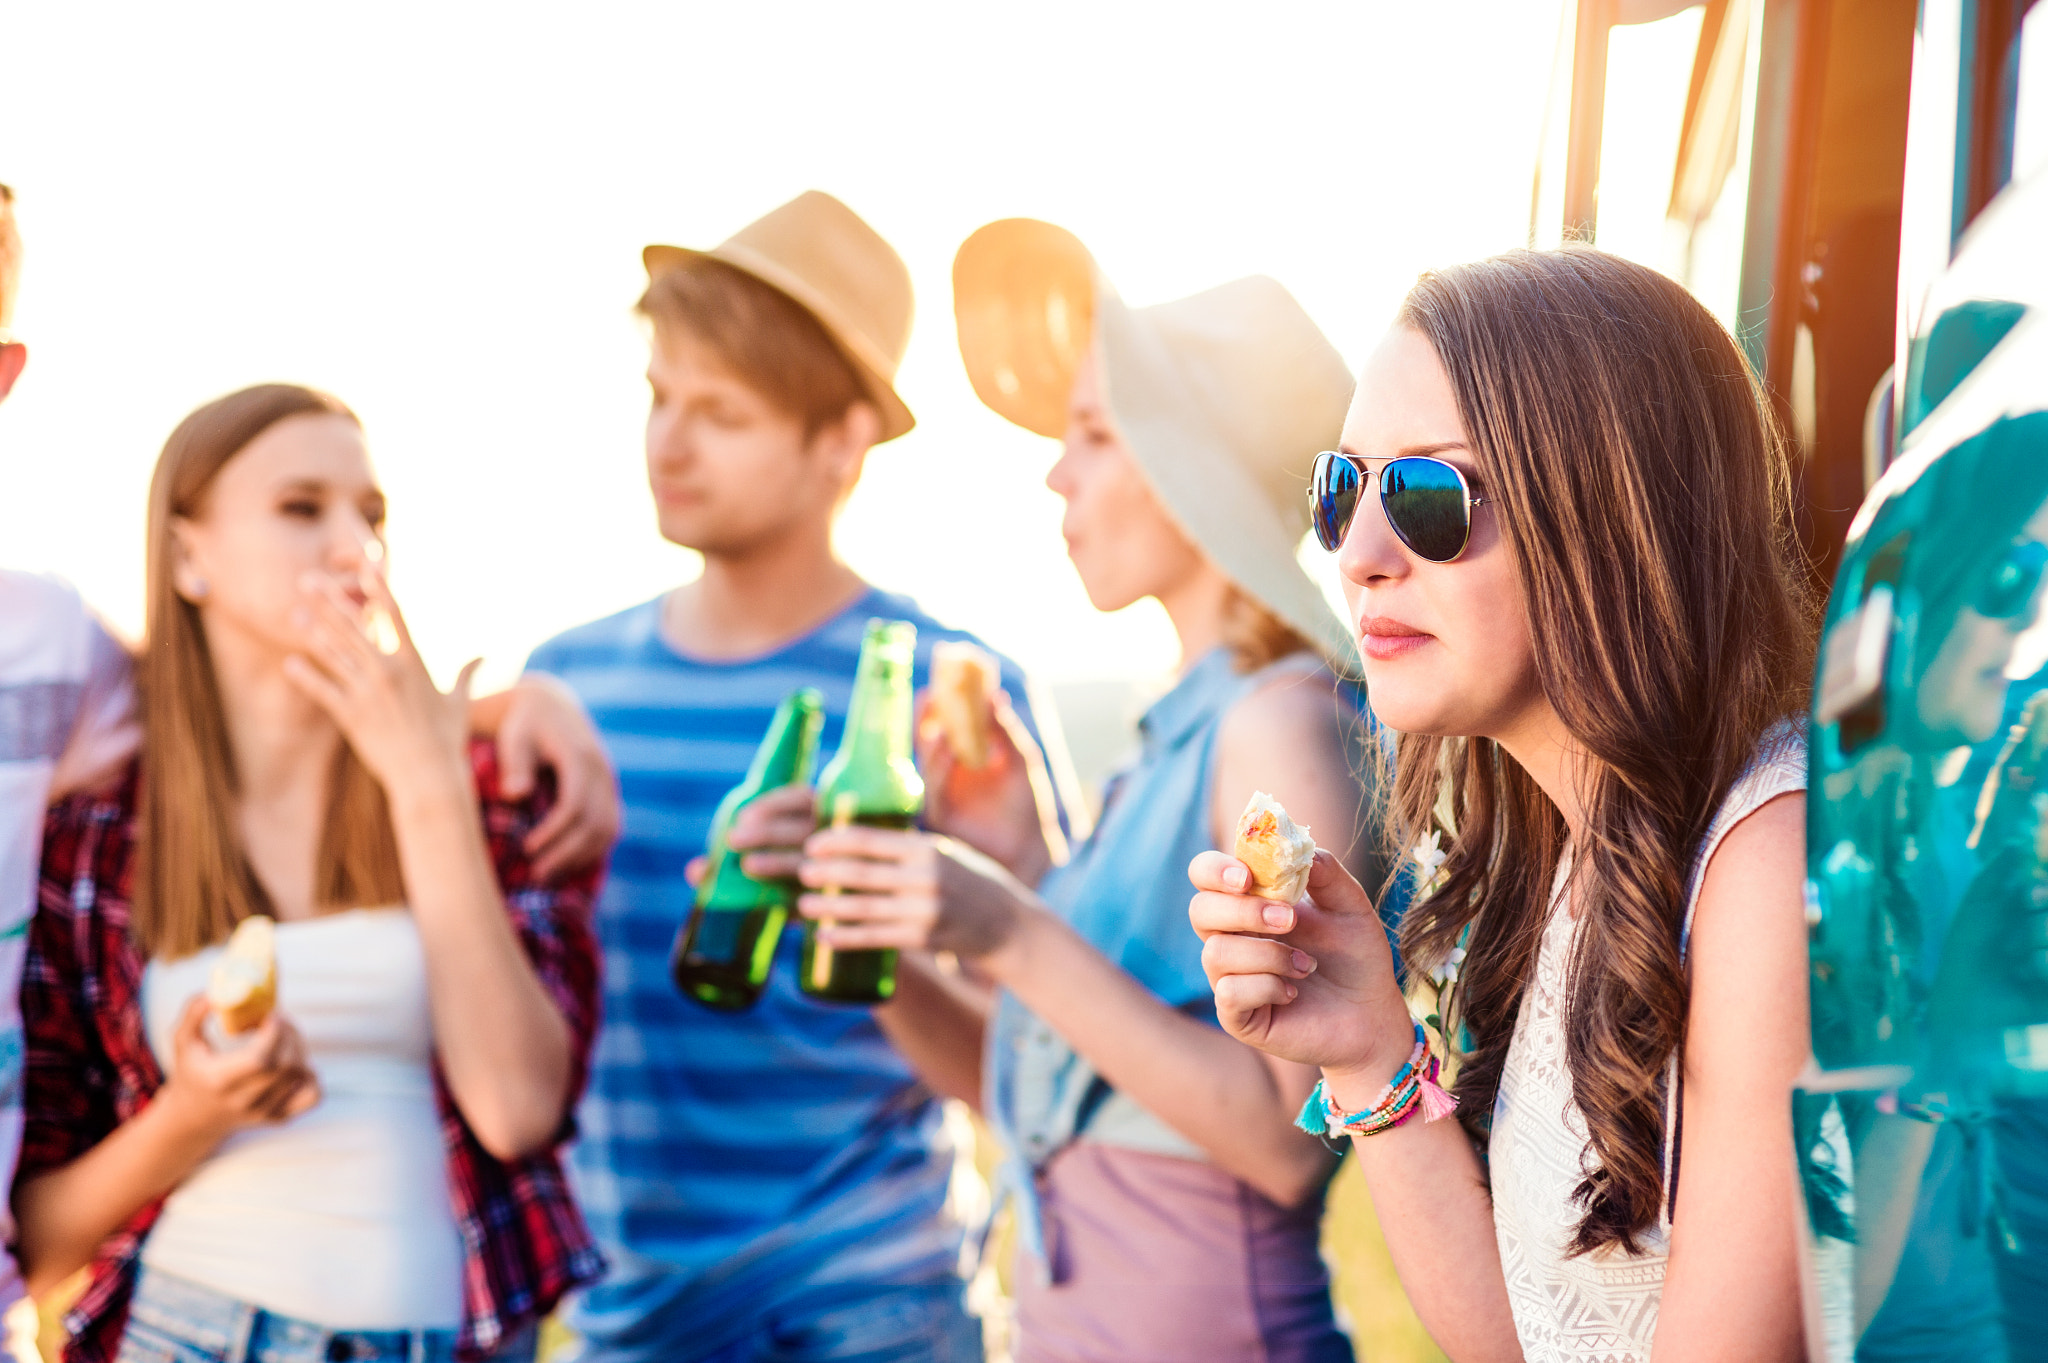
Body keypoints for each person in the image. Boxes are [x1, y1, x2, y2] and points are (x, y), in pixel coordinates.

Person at [0, 182, 620, 1337]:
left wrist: (435, 777)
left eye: (371, 512)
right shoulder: (98, 831)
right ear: (188, 554)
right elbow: (36, 1237)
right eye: (300, 507)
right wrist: (191, 1111)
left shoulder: (486, 796)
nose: (352, 546)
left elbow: (517, 1108)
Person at [1187, 246, 1820, 1362]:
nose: (1360, 555)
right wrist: (1363, 1047)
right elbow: (1534, 1341)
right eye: (1341, 490)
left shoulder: (1761, 862)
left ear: (1607, 513)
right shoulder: (1578, 856)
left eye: (1427, 495)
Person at [772, 219, 1383, 1362]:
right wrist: (896, 909)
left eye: (1095, 434)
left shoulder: (1278, 725)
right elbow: (1030, 1077)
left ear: (1189, 473)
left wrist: (1006, 921)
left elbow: (1287, 1136)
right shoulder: (1168, 747)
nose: (1056, 469)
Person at [522, 192, 1066, 1363]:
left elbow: (1044, 1066)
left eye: (719, 412)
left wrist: (853, 916)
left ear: (843, 438)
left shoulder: (945, 695)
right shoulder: (562, 688)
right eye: (660, 397)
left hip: (870, 1299)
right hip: (631, 1310)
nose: (667, 442)